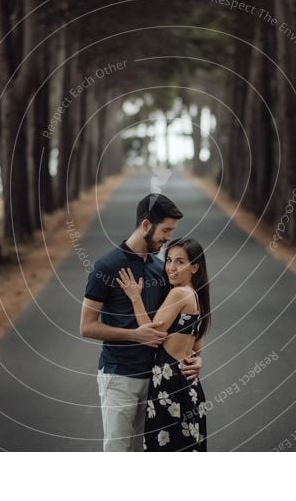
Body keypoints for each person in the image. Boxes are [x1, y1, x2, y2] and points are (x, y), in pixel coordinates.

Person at [79, 193, 203, 452]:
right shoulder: (106, 267)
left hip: (157, 381)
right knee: (119, 451)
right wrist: (135, 335)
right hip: (119, 376)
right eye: (166, 230)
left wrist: (194, 357)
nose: (168, 238)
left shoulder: (162, 269)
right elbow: (87, 326)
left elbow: (181, 322)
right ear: (146, 225)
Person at [117, 237, 210, 451]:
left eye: (180, 262)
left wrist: (135, 297)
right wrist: (197, 361)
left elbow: (151, 336)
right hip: (189, 386)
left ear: (194, 267)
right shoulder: (196, 296)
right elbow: (198, 349)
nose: (171, 268)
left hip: (170, 388)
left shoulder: (178, 293)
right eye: (168, 260)